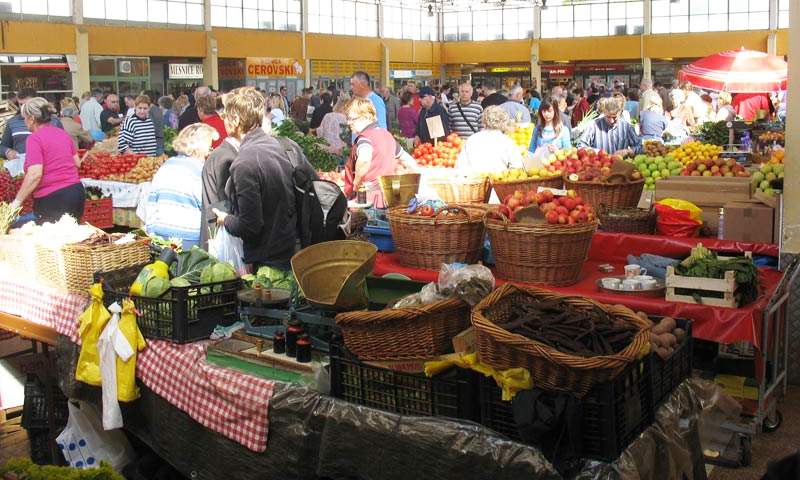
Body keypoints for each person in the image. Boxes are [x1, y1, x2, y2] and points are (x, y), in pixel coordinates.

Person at [213, 87, 300, 271]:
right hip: (291, 246)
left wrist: (225, 219)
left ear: (235, 119)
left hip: (268, 259)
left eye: (225, 116)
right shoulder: (279, 145)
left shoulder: (244, 163)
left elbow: (250, 226)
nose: (223, 121)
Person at [10, 97, 84, 224]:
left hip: (53, 199)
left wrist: (16, 203)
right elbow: (77, 163)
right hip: (76, 193)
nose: (25, 122)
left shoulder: (34, 139)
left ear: (32, 119)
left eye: (25, 119)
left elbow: (34, 174)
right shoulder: (62, 133)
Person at [144, 123, 218, 250]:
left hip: (161, 234)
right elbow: (207, 208)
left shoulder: (166, 165)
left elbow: (151, 202)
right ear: (200, 147)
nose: (209, 152)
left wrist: (152, 232)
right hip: (188, 237)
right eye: (209, 147)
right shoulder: (200, 171)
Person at [343, 98, 418, 208]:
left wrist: (356, 184)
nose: (349, 122)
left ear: (367, 117)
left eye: (352, 119)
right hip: (388, 197)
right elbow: (408, 160)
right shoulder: (387, 135)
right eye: (348, 119)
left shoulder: (365, 138)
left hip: (367, 199)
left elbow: (364, 159)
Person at [456, 106, 523, 175]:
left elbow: (460, 166)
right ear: (503, 121)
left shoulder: (472, 139)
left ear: (483, 120)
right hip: (498, 182)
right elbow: (517, 167)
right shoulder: (507, 141)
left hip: (475, 182)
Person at [1, 89, 63, 160]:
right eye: (21, 104)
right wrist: (7, 151)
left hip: (50, 164)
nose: (23, 108)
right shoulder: (12, 122)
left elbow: (64, 145)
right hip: (20, 166)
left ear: (36, 103)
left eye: (27, 104)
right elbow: (2, 146)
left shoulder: (54, 121)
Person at [577, 96, 642, 156]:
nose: (612, 121)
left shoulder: (626, 127)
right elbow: (581, 146)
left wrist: (628, 151)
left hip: (620, 165)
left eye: (614, 117)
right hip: (600, 165)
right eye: (608, 117)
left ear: (620, 113)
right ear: (604, 112)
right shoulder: (594, 126)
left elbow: (640, 146)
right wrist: (598, 152)